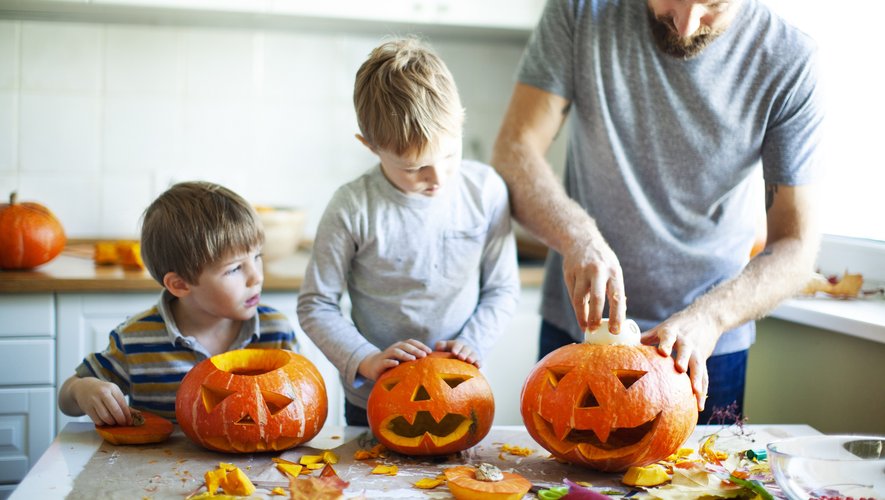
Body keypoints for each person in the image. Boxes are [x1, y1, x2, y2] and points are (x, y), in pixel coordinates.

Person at [491, 0, 823, 423]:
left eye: (712, 6)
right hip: (578, 335)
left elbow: (795, 245)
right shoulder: (580, 11)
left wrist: (709, 318)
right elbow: (515, 149)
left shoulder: (790, 60)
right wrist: (578, 237)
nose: (684, 26)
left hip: (706, 349)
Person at [297, 38, 520, 426]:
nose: (437, 178)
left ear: (460, 121)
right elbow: (315, 304)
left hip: (459, 389)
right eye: (415, 168)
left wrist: (474, 341)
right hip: (372, 398)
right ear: (369, 146)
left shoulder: (486, 191)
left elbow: (502, 288)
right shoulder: (352, 207)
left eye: (450, 155)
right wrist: (365, 360)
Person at [58, 181, 297, 426]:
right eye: (234, 268)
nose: (256, 276)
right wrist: (83, 390)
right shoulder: (136, 339)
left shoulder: (275, 332)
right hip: (158, 464)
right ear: (180, 285)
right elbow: (66, 399)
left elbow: (298, 404)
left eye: (257, 257)